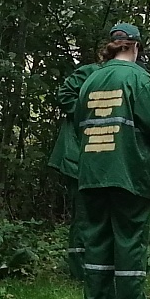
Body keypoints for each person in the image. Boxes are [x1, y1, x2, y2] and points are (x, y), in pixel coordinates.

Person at [72, 23, 150, 299]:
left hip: (92, 171)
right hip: (128, 171)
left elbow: (80, 122)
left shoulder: (90, 80)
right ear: (135, 47)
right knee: (130, 237)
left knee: (96, 238)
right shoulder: (137, 77)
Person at [46, 59, 99, 279]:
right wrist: (90, 115)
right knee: (84, 215)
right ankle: (80, 271)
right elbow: (65, 96)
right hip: (77, 157)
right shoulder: (91, 72)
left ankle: (99, 267)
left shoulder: (128, 77)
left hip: (103, 158)